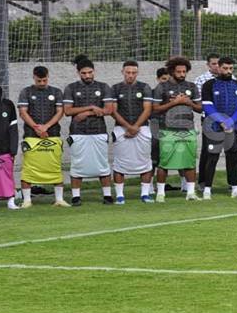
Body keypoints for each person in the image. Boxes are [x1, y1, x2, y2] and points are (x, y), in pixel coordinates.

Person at [62, 55, 115, 206]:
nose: (87, 75)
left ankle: (107, 195)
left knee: (102, 163)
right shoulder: (71, 88)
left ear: (94, 71)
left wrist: (86, 113)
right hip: (78, 132)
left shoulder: (103, 87)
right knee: (78, 164)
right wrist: (91, 107)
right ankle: (76, 197)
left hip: (98, 131)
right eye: (84, 73)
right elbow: (67, 111)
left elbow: (109, 109)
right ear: (78, 73)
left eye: (90, 72)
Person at [17, 66, 68, 208]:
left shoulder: (56, 92)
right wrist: (36, 128)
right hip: (32, 136)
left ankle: (59, 199)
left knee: (55, 166)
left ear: (48, 77)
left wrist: (45, 127)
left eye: (44, 80)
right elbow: (23, 112)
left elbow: (59, 112)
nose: (42, 83)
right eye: (39, 80)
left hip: (52, 135)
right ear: (34, 77)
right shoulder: (26, 92)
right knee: (29, 168)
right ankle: (27, 200)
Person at [152, 57, 202, 201]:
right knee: (164, 163)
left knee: (190, 162)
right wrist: (174, 103)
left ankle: (191, 192)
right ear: (172, 71)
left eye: (184, 71)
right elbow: (155, 109)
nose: (182, 74)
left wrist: (189, 102)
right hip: (167, 130)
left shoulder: (192, 87)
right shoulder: (162, 87)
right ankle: (160, 193)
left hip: (188, 130)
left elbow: (200, 108)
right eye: (178, 71)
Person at [201, 57, 237, 199]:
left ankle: (235, 188)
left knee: (233, 157)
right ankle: (207, 189)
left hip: (234, 127)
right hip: (214, 127)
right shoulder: (209, 85)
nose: (228, 71)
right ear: (218, 68)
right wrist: (221, 121)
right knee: (212, 157)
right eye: (225, 68)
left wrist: (231, 122)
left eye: (230, 69)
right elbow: (207, 105)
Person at [110, 61, 154, 204]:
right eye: (128, 72)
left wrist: (135, 127)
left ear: (137, 73)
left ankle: (145, 194)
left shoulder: (145, 87)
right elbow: (113, 110)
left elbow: (147, 109)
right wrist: (128, 127)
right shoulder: (115, 88)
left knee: (145, 162)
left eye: (133, 72)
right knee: (119, 163)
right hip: (121, 129)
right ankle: (120, 196)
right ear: (122, 72)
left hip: (142, 129)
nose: (130, 75)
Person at [195, 53, 221, 191]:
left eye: (218, 63)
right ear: (208, 65)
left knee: (231, 151)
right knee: (208, 150)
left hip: (227, 120)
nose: (217, 66)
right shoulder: (201, 80)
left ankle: (232, 183)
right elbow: (200, 103)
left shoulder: (231, 79)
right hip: (209, 120)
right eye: (214, 64)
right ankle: (203, 181)